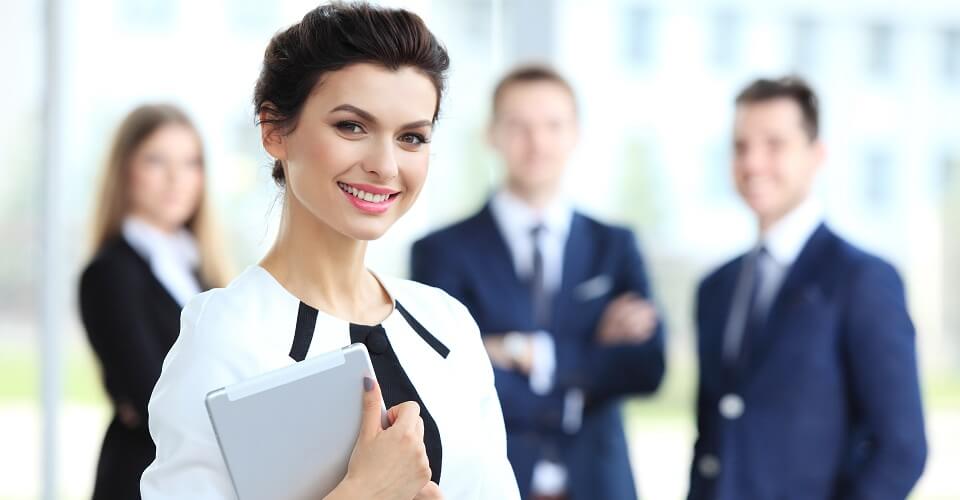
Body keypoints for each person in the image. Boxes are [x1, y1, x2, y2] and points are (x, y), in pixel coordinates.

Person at [140, 4, 519, 500]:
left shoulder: (448, 326)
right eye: (351, 127)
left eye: (411, 137)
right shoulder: (226, 337)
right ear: (275, 130)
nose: (385, 166)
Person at [411, 65, 665, 500]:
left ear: (576, 134)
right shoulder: (441, 252)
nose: (538, 142)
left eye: (553, 125)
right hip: (491, 485)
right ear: (491, 134)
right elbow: (447, 376)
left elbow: (644, 366)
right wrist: (583, 367)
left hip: (600, 484)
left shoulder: (615, 246)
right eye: (519, 126)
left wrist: (523, 351)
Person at [688, 76, 927, 500]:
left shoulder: (862, 279)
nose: (753, 163)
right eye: (741, 147)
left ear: (816, 156)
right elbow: (714, 435)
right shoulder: (716, 289)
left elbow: (902, 448)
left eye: (774, 145)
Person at [78, 103, 231, 500]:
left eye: (191, 163)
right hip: (141, 476)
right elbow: (151, 400)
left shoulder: (201, 269)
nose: (176, 180)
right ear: (126, 170)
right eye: (156, 161)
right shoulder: (110, 272)